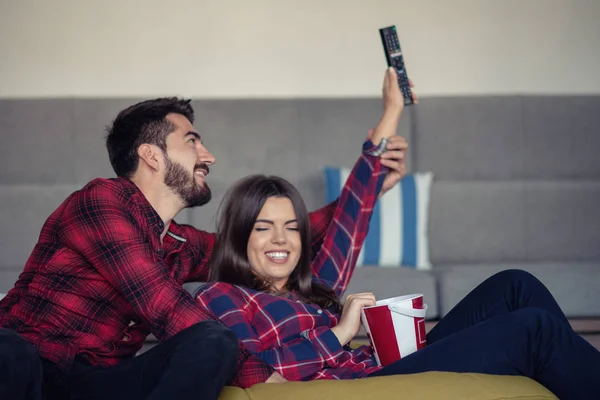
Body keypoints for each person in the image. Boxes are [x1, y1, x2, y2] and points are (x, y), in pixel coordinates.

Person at [0, 69, 411, 400]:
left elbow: (276, 235)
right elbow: (163, 306)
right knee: (9, 352)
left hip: (95, 383)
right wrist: (271, 381)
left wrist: (372, 182)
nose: (208, 155)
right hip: (33, 364)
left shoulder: (179, 244)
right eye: (192, 141)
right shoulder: (101, 202)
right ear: (151, 154)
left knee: (213, 340)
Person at [195, 69, 600, 400]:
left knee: (515, 285)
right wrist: (340, 333)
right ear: (239, 236)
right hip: (366, 381)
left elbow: (349, 221)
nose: (281, 239)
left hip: (385, 360)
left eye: (291, 227)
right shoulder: (222, 297)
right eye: (263, 228)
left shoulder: (312, 283)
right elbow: (252, 368)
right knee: (533, 329)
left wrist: (391, 111)